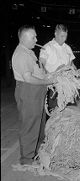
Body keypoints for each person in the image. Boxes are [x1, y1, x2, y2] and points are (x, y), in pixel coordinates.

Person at [12, 25, 54, 165]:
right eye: (33, 37)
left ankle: (36, 154)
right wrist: (48, 81)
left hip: (36, 92)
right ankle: (27, 159)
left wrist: (47, 77)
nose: (36, 39)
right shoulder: (21, 55)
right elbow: (28, 78)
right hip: (28, 91)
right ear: (23, 38)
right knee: (30, 125)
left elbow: (37, 72)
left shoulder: (29, 52)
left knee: (39, 124)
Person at [39, 24, 76, 111]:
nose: (64, 39)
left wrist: (77, 74)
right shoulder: (47, 47)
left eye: (66, 36)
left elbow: (72, 64)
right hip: (53, 85)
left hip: (67, 85)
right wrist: (47, 78)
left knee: (66, 110)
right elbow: (41, 64)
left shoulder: (67, 48)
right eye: (62, 36)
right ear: (55, 33)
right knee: (54, 111)